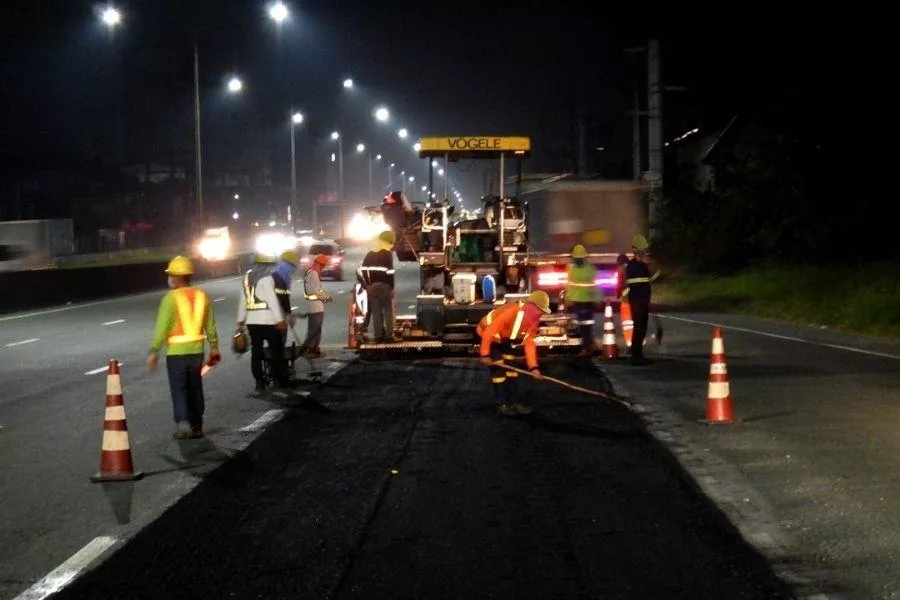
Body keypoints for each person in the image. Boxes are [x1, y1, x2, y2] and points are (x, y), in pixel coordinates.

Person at [147, 256, 220, 439]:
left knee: (179, 389)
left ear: (177, 277)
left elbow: (161, 328)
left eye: (171, 274)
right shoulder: (202, 296)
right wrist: (215, 348)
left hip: (176, 355)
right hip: (196, 352)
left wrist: (154, 351)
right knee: (195, 388)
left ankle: (182, 424)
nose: (170, 278)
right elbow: (210, 325)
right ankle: (197, 426)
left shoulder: (170, 299)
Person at [477, 290, 551, 416]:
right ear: (531, 306)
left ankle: (513, 403)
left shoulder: (533, 320)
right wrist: (485, 354)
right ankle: (502, 405)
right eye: (540, 310)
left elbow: (529, 344)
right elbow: (489, 331)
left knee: (512, 371)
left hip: (504, 339)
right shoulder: (512, 311)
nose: (541, 314)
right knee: (499, 371)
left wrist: (533, 368)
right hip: (488, 336)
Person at [237, 253, 291, 393]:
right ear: (266, 265)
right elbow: (272, 300)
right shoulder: (266, 278)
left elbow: (244, 300)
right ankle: (278, 381)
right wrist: (280, 320)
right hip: (268, 320)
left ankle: (259, 384)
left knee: (256, 352)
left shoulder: (247, 277)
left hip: (252, 322)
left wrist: (240, 320)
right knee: (276, 350)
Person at [358, 230, 397, 343]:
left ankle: (378, 336)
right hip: (384, 286)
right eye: (391, 243)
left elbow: (364, 269)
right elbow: (390, 272)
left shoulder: (370, 253)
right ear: (388, 242)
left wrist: (368, 284)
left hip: (373, 286)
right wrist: (392, 288)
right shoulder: (387, 254)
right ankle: (389, 336)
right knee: (388, 311)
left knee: (376, 312)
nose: (392, 246)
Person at [624, 234, 653, 365]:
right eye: (641, 249)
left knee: (643, 327)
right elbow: (635, 284)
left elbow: (647, 281)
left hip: (644, 300)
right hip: (637, 300)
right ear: (634, 249)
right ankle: (635, 355)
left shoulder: (643, 266)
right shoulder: (632, 266)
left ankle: (638, 353)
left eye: (644, 249)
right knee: (639, 327)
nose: (644, 251)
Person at [566, 244, 597, 357]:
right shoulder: (590, 268)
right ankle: (589, 345)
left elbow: (569, 285)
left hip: (579, 301)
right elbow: (593, 285)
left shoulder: (571, 268)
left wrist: (568, 299)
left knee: (583, 326)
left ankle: (586, 348)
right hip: (587, 301)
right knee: (586, 326)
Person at [299, 253, 332, 358]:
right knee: (314, 330)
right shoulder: (313, 274)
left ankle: (314, 350)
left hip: (314, 306)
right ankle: (307, 350)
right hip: (315, 307)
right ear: (320, 264)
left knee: (316, 329)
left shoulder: (311, 273)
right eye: (323, 266)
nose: (323, 268)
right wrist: (327, 297)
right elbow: (316, 291)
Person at [615, 252, 634, 353]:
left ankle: (630, 346)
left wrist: (618, 294)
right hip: (637, 299)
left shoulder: (621, 269)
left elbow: (619, 283)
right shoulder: (634, 268)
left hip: (627, 300)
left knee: (627, 324)